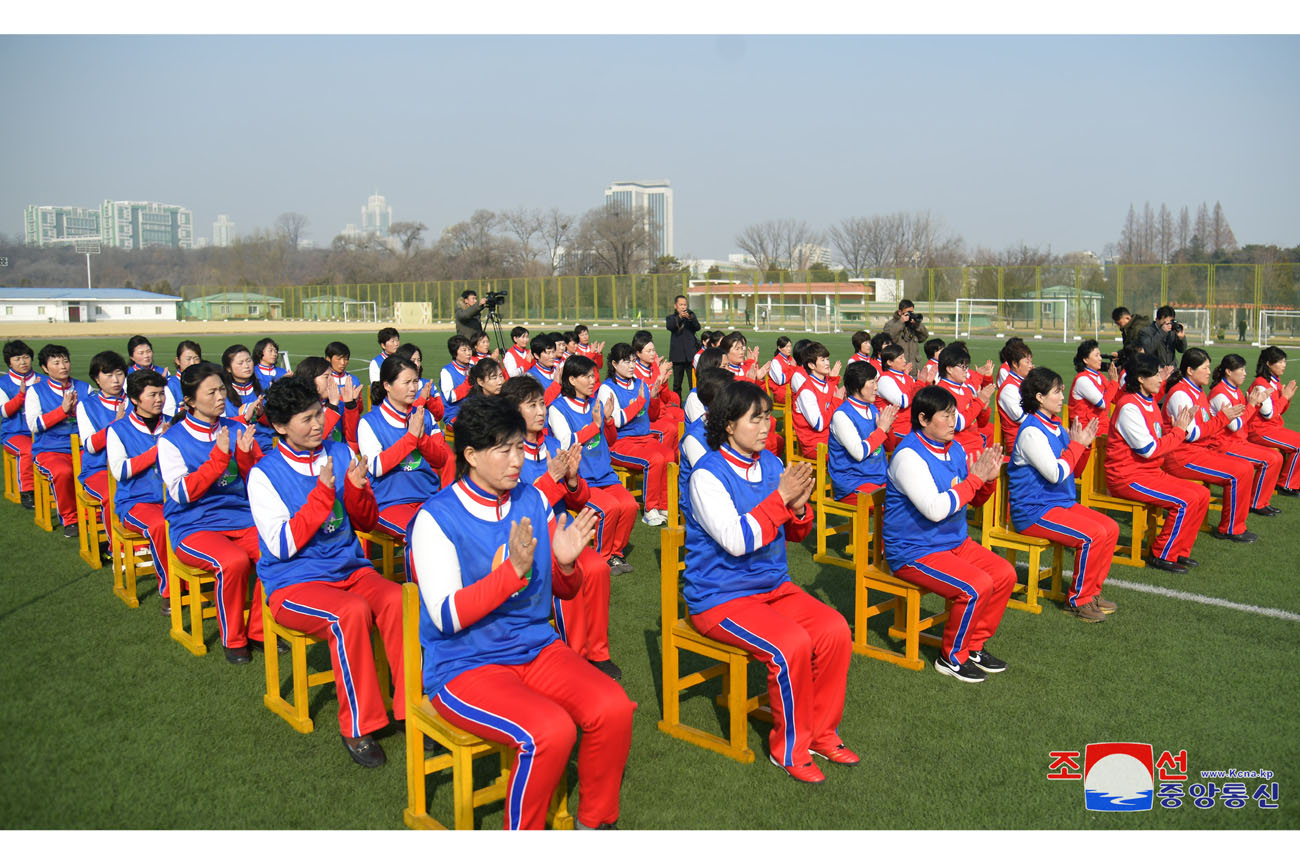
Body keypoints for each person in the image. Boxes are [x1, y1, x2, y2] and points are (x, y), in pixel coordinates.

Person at [406, 396, 634, 829]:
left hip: (535, 648)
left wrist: (565, 563)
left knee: (613, 706)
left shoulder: (532, 500)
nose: (517, 460)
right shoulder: (435, 519)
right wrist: (510, 573)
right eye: (504, 449)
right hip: (465, 664)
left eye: (518, 447)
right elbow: (447, 617)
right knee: (551, 730)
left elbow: (562, 589)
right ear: (470, 455)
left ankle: (596, 822)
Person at [685, 380, 856, 783]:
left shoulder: (774, 465)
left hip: (773, 588)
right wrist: (782, 501)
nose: (765, 426)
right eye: (755, 418)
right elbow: (737, 540)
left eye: (768, 416)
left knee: (835, 631)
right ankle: (789, 749)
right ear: (728, 425)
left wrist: (799, 510)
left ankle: (821, 733)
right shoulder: (707, 475)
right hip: (719, 597)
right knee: (790, 645)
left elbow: (794, 534)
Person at [248, 376, 404, 769]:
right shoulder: (264, 474)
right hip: (294, 582)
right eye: (306, 419)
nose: (318, 424)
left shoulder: (338, 449)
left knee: (397, 599)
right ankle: (358, 725)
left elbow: (365, 521)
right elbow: (282, 546)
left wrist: (357, 491)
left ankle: (409, 705)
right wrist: (322, 494)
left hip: (349, 568)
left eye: (319, 414)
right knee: (348, 613)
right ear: (281, 426)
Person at [883, 385, 1012, 683]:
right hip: (914, 550)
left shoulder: (953, 448)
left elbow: (972, 498)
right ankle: (951, 657)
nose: (954, 421)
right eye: (947, 415)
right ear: (924, 419)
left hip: (953, 541)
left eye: (955, 414)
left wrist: (987, 480)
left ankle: (974, 646)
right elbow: (935, 509)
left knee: (1004, 574)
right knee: (976, 585)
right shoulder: (908, 456)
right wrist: (976, 478)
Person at [501, 375, 620, 680]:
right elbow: (517, 508)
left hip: (562, 530)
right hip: (531, 539)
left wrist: (571, 479)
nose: (541, 411)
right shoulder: (505, 452)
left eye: (542, 403)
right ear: (513, 411)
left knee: (597, 568)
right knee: (561, 572)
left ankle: (598, 652)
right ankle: (575, 655)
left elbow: (579, 498)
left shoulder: (553, 444)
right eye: (532, 405)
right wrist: (552, 481)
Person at [158, 361, 267, 662]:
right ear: (190, 401)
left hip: (241, 518)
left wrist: (245, 459)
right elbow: (181, 494)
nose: (221, 397)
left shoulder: (237, 428)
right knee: (233, 562)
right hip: (194, 524)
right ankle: (234, 639)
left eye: (222, 389)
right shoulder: (170, 441)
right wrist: (219, 459)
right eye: (212, 392)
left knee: (275, 552)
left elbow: (259, 480)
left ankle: (259, 630)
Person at [1008, 368, 1118, 622]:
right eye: (1056, 391)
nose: (1062, 396)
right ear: (1039, 397)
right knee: (1092, 535)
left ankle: (1092, 593)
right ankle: (1078, 600)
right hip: (1034, 510)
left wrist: (1084, 445)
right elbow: (1056, 474)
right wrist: (1077, 445)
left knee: (1110, 528)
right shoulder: (1031, 432)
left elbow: (1073, 471)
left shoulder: (1056, 425)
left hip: (1060, 503)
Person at [1106, 354, 1209, 573]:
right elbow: (1148, 450)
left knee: (1201, 494)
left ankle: (1179, 550)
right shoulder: (1129, 407)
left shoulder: (1148, 400)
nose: (1160, 378)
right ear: (1141, 379)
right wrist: (1179, 431)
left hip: (1149, 472)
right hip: (1127, 477)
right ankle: (1162, 553)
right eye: (1155, 374)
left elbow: (1156, 442)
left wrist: (1176, 431)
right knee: (1185, 500)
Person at [547, 355, 638, 575]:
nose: (591, 381)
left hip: (604, 474)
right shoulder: (557, 408)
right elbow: (567, 443)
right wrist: (595, 424)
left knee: (629, 505)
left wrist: (607, 422)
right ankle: (603, 558)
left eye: (592, 376)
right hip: (579, 482)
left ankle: (616, 554)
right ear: (571, 379)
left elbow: (610, 440)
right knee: (609, 507)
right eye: (586, 377)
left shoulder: (594, 403)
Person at [1161, 348, 1259, 543]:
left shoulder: (1197, 391)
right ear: (1190, 370)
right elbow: (1192, 434)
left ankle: (1234, 525)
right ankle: (1230, 529)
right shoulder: (1180, 394)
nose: (1209, 371)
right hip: (1181, 456)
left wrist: (1221, 420)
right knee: (1238, 473)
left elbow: (1203, 427)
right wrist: (1222, 419)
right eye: (1205, 367)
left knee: (1245, 468)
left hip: (1198, 451)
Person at [359, 355, 454, 535]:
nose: (413, 388)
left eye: (415, 381)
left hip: (428, 496)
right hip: (389, 502)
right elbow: (377, 467)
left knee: (458, 529)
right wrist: (411, 438)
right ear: (387, 385)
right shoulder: (369, 422)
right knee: (422, 535)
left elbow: (440, 460)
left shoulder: (425, 416)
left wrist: (422, 439)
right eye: (406, 382)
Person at [107, 370, 172, 607]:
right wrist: (159, 448)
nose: (159, 399)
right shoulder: (118, 429)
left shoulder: (172, 422)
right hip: (136, 501)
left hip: (173, 498)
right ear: (134, 399)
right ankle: (170, 589)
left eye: (162, 393)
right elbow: (120, 471)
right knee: (160, 525)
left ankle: (199, 580)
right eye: (152, 394)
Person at [599, 344, 676, 528]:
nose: (632, 365)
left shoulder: (640, 383)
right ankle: (650, 510)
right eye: (626, 361)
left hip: (644, 438)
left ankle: (664, 506)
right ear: (614, 364)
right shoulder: (607, 389)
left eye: (633, 361)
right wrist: (640, 401)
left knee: (669, 455)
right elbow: (616, 421)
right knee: (655, 459)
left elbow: (652, 415)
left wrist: (654, 398)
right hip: (619, 443)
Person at [25, 343, 93, 536]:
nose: (63, 366)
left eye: (65, 361)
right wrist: (62, 411)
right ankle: (71, 519)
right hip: (50, 449)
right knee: (63, 472)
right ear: (45, 368)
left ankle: (94, 515)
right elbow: (34, 425)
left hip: (82, 448)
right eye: (56, 362)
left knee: (98, 468)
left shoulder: (85, 388)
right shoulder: (36, 391)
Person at [1208, 354, 1282, 517]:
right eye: (1240, 369)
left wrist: (1255, 404)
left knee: (1276, 457)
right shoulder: (1220, 393)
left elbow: (1243, 418)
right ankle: (1256, 503)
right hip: (1223, 445)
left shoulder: (1235, 391)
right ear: (1228, 371)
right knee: (1269, 460)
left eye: (1244, 369)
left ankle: (1260, 501)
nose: (1245, 373)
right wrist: (1252, 405)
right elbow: (1234, 426)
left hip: (1238, 442)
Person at [75, 350, 129, 533]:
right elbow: (90, 445)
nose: (116, 380)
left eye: (119, 374)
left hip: (132, 468)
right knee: (112, 494)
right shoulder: (86, 406)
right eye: (108, 375)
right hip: (99, 470)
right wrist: (115, 425)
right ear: (96, 379)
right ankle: (117, 550)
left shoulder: (135, 401)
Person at [828, 361, 895, 503]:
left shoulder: (873, 409)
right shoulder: (842, 415)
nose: (876, 388)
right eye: (872, 383)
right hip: (853, 484)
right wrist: (881, 430)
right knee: (894, 507)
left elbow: (889, 448)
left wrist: (888, 429)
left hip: (879, 478)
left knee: (909, 503)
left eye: (876, 382)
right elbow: (859, 453)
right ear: (858, 386)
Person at [679, 368, 732, 527]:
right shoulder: (695, 437)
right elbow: (706, 482)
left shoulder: (728, 425)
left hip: (726, 494)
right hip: (701, 505)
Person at [1248, 346, 1300, 495]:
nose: (1284, 365)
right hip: (1259, 430)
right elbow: (1268, 414)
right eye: (1280, 362)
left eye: (1284, 361)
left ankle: (1290, 481)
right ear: (1269, 364)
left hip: (1272, 428)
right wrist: (1284, 397)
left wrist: (1286, 398)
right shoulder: (1261, 384)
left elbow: (1278, 412)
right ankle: (1286, 484)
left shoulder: (1273, 381)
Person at [936, 341, 995, 455]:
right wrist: (979, 402)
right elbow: (958, 424)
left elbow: (981, 423)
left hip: (975, 444)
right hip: (960, 449)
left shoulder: (965, 389)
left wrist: (984, 409)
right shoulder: (942, 392)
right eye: (963, 367)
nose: (966, 371)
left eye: (967, 367)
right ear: (949, 369)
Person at [293, 356, 362, 449]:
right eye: (326, 377)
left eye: (332, 377)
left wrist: (350, 405)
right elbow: (312, 441)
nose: (332, 382)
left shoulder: (339, 404)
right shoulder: (298, 407)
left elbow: (353, 440)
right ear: (310, 379)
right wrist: (332, 407)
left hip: (337, 457)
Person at [2, 340, 38, 509]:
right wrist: (21, 396)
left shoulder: (42, 380)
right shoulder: (3, 384)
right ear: (9, 362)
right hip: (14, 432)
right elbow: (4, 412)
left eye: (26, 357)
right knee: (28, 449)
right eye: (17, 359)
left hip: (42, 431)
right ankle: (28, 491)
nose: (23, 362)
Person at [792, 342, 843, 459]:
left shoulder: (828, 385)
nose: (827, 364)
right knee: (852, 457)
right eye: (822, 360)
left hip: (832, 439)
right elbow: (818, 425)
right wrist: (836, 401)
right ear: (811, 365)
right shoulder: (806, 391)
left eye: (827, 359)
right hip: (815, 445)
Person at [222, 344, 271, 453]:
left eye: (248, 360)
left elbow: (280, 420)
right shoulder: (221, 392)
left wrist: (262, 414)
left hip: (268, 445)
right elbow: (220, 425)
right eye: (240, 363)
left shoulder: (267, 386)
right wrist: (245, 417)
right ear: (228, 368)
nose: (246, 366)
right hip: (238, 447)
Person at [995, 340, 1034, 450]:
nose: (1031, 366)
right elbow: (1021, 418)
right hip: (1020, 442)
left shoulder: (1024, 382)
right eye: (1027, 362)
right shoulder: (1009, 388)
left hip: (1030, 437)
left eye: (1031, 362)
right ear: (1015, 364)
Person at [665, 294, 701, 402]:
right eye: (681, 305)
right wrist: (680, 317)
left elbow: (697, 327)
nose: (683, 307)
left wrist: (690, 318)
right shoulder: (671, 317)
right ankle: (677, 407)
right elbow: (670, 326)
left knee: (693, 384)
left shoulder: (691, 315)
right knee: (677, 385)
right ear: (675, 306)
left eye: (685, 304)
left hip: (691, 356)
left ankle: (693, 405)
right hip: (677, 356)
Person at [439, 335, 476, 427]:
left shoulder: (473, 368)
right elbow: (450, 397)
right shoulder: (446, 371)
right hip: (454, 414)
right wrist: (469, 382)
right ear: (454, 353)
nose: (468, 353)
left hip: (474, 411)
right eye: (464, 350)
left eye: (469, 349)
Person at [882, 299, 929, 370]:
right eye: (907, 312)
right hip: (899, 368)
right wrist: (901, 322)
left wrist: (917, 325)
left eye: (911, 312)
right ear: (900, 312)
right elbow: (889, 339)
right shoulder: (890, 324)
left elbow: (924, 337)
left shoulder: (912, 324)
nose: (909, 314)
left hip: (915, 368)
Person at [165, 340, 203, 420]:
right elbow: (168, 412)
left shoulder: (205, 382)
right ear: (177, 361)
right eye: (188, 359)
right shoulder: (169, 385)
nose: (193, 363)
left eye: (196, 358)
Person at [767, 336, 799, 405]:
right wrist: (792, 368)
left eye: (790, 346)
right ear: (779, 348)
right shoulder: (776, 361)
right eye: (786, 347)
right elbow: (780, 380)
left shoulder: (791, 359)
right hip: (782, 393)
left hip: (791, 391)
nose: (789, 349)